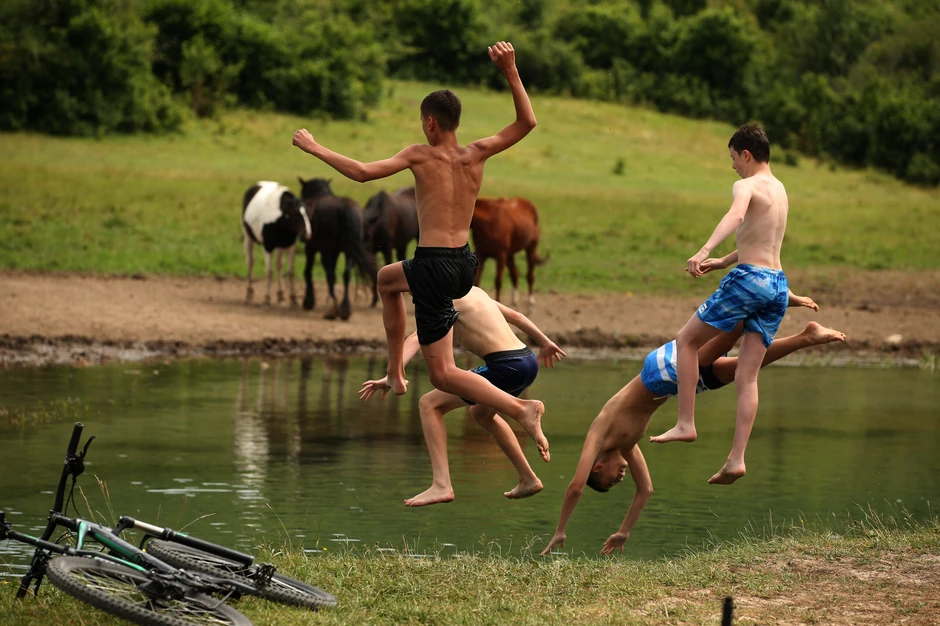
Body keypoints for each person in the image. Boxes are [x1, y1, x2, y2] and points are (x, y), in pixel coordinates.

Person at [291, 41, 549, 459]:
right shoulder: (477, 153)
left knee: (444, 375)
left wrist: (314, 147)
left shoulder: (419, 156)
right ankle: (395, 371)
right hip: (465, 264)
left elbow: (360, 173)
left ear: (430, 123)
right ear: (455, 122)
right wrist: (511, 70)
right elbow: (527, 121)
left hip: (434, 265)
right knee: (386, 279)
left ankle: (520, 408)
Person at [541, 296, 845, 556]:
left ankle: (764, 297)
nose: (619, 479)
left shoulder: (599, 435)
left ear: (597, 468)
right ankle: (807, 336)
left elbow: (575, 487)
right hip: (677, 383)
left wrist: (560, 530)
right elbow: (645, 490)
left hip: (658, 374)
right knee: (743, 367)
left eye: (609, 480)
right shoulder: (626, 446)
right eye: (617, 482)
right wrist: (624, 532)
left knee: (729, 335)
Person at [650, 124, 790, 486]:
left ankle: (685, 422)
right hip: (777, 284)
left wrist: (704, 250)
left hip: (750, 281)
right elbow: (761, 235)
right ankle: (737, 459)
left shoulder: (745, 185)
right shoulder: (780, 188)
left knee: (686, 341)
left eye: (732, 158)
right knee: (747, 376)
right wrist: (725, 261)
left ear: (746, 154)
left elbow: (738, 217)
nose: (732, 167)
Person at [358, 286, 567, 507]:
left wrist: (393, 375)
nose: (413, 300)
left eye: (411, 294)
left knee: (430, 404)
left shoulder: (440, 300)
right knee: (481, 414)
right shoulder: (474, 291)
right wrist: (544, 342)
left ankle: (442, 484)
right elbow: (516, 316)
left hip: (506, 366)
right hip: (526, 360)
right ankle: (528, 478)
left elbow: (417, 337)